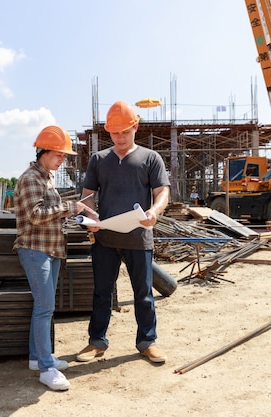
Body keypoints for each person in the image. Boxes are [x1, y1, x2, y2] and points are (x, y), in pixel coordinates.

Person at [76, 100, 171, 364]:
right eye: (115, 132)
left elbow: (162, 191)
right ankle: (97, 341)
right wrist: (91, 216)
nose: (120, 137)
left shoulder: (150, 158)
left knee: (143, 293)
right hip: (105, 239)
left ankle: (147, 342)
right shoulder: (98, 160)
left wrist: (155, 212)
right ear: (109, 132)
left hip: (139, 238)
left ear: (135, 127)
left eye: (125, 132)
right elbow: (87, 196)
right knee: (102, 292)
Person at [13, 125, 94, 391]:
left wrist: (74, 212)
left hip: (50, 248)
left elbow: (47, 210)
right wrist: (71, 207)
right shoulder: (30, 178)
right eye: (58, 155)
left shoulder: (45, 177)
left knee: (44, 307)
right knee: (44, 308)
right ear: (43, 152)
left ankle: (38, 358)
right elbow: (35, 215)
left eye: (63, 155)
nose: (62, 160)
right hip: (36, 249)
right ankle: (46, 369)